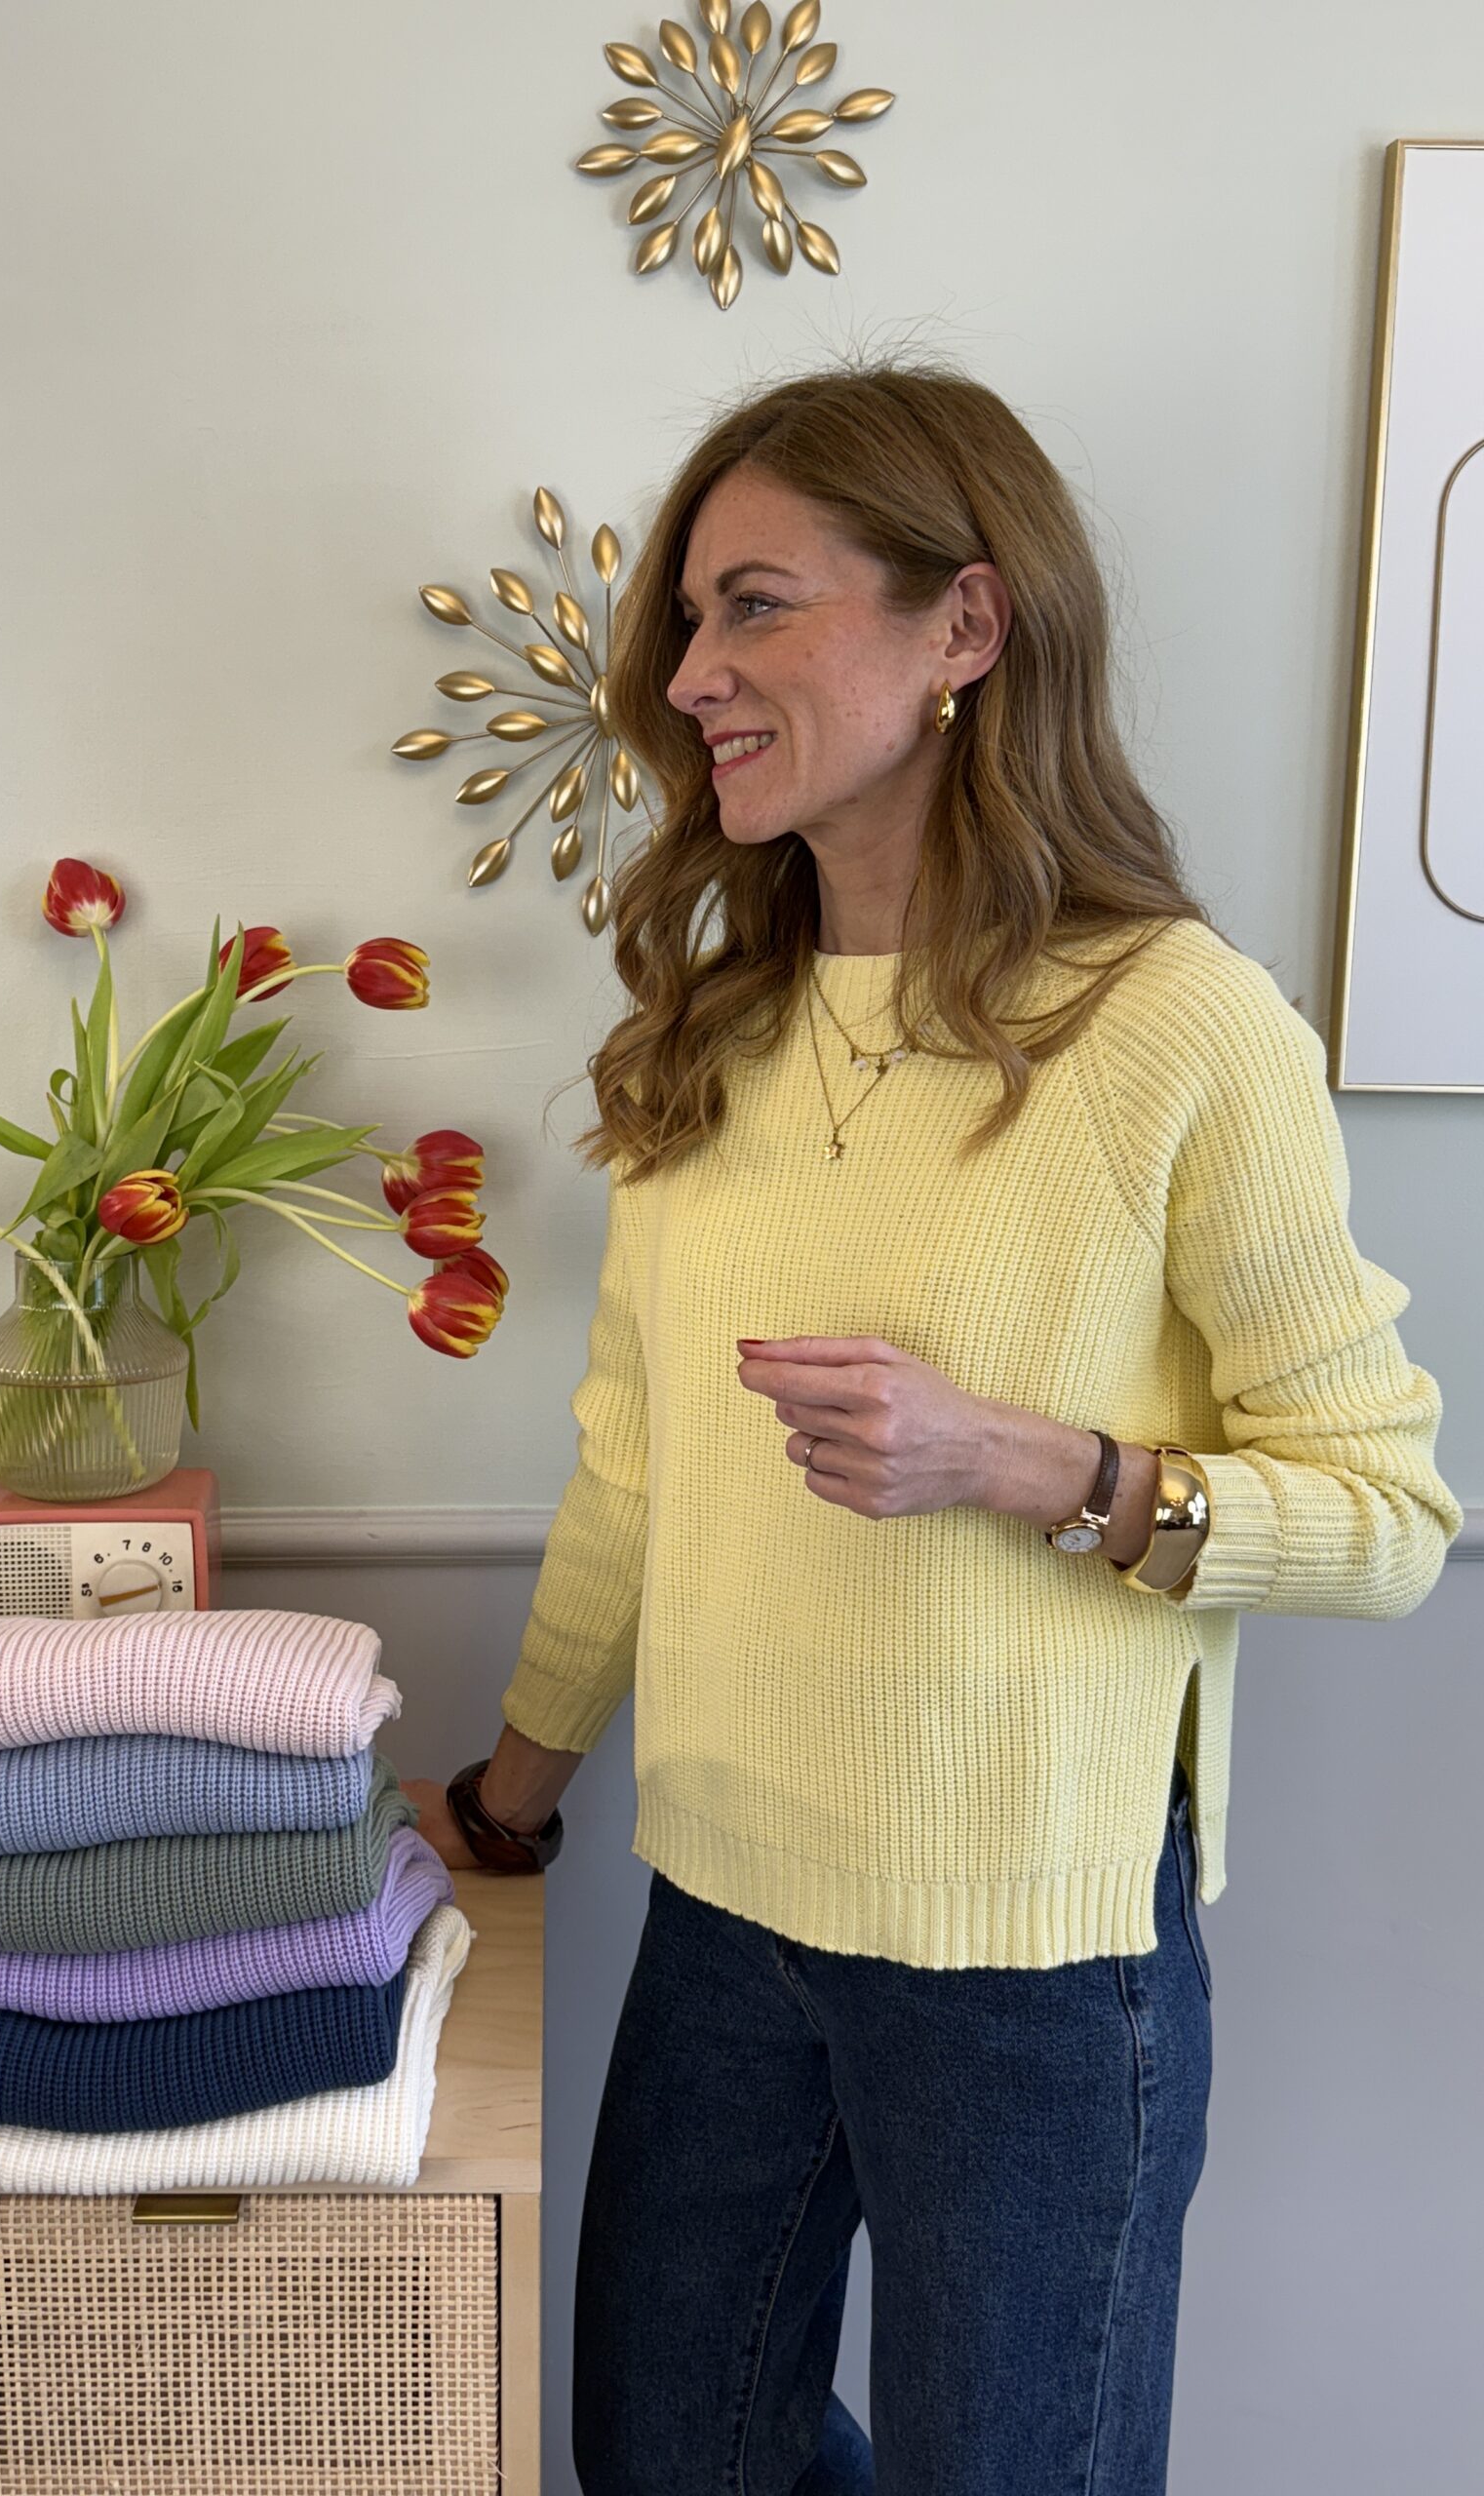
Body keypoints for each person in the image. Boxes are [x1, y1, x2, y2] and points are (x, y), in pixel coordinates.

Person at [401, 359, 1463, 2496]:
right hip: (724, 1906)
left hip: (1033, 1955)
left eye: (755, 606)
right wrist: (510, 1803)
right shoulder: (711, 1036)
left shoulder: (1181, 1026)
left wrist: (1036, 1465)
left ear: (964, 624)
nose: (689, 676)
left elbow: (1390, 1516)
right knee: (665, 2457)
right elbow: (633, 1472)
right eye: (688, 622)